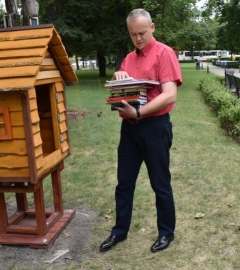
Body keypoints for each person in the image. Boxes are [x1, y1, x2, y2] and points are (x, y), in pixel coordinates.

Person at [99, 8, 182, 253]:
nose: (138, 38)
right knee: (124, 183)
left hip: (155, 127)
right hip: (130, 130)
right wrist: (118, 79)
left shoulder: (164, 53)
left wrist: (138, 113)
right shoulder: (128, 58)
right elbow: (122, 92)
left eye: (142, 33)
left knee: (160, 183)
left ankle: (166, 232)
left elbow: (169, 95)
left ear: (152, 27)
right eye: (133, 34)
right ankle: (119, 231)